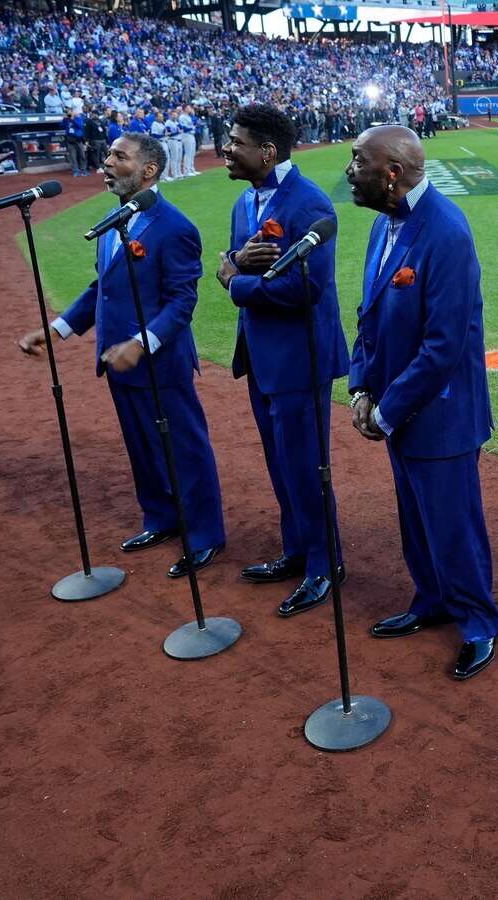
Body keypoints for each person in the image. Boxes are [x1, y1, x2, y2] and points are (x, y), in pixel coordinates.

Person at [18, 133, 229, 577]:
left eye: (118, 156)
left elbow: (181, 302)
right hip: (116, 360)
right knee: (141, 446)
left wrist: (142, 342)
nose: (105, 163)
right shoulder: (112, 219)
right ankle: (162, 519)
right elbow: (102, 288)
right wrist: (57, 330)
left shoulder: (176, 227)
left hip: (158, 362)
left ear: (149, 170)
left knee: (183, 450)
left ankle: (205, 534)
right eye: (108, 155)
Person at [345, 125, 498, 681]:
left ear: (391, 173)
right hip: (397, 407)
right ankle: (431, 600)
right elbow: (369, 317)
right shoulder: (383, 226)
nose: (349, 171)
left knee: (452, 524)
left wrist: (385, 412)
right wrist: (361, 385)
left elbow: (444, 345)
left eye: (358, 161)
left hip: (440, 412)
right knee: (415, 519)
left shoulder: (446, 231)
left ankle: (478, 622)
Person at [207, 104, 351, 616]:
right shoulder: (245, 201)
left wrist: (235, 281)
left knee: (306, 466)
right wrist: (238, 270)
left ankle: (323, 563)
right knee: (279, 463)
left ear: (266, 153)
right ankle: (296, 550)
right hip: (262, 356)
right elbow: (231, 258)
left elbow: (304, 290)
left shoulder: (309, 205)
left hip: (299, 358)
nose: (226, 148)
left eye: (235, 141)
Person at [63, 108, 87, 176]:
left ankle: (84, 170)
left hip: (78, 140)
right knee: (73, 157)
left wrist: (73, 119)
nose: (69, 113)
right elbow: (62, 126)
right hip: (70, 140)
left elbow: (80, 126)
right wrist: (64, 119)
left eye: (71, 112)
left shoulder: (78, 118)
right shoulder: (66, 119)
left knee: (82, 155)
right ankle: (75, 171)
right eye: (68, 112)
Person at [85, 110, 110, 175]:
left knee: (106, 153)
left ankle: (108, 165)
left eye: (96, 114)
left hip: (102, 139)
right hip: (95, 140)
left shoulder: (100, 121)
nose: (95, 115)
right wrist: (87, 141)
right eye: (94, 114)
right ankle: (98, 167)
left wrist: (106, 139)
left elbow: (104, 130)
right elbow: (87, 132)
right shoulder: (89, 122)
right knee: (96, 154)